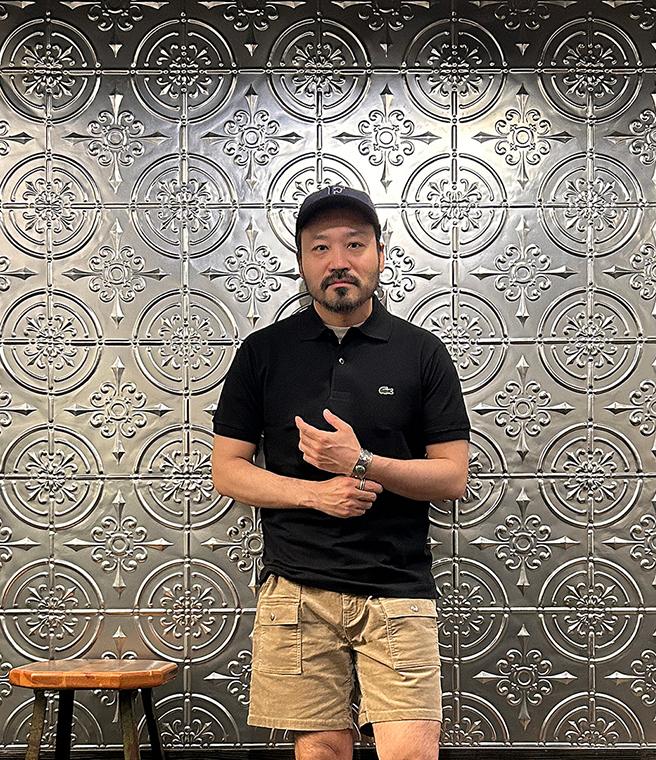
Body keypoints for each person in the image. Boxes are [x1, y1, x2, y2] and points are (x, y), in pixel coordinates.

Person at [211, 185, 470, 760]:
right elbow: (227, 472)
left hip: (398, 588)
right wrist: (315, 495)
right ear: (302, 262)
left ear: (380, 253)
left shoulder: (422, 352)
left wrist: (361, 462)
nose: (338, 261)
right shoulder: (263, 352)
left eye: (354, 244)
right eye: (320, 247)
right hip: (297, 587)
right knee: (321, 750)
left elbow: (452, 477)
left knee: (411, 751)